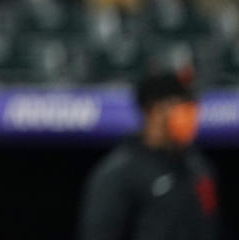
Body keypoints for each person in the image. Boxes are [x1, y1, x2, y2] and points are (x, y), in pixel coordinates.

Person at [78, 69, 220, 240]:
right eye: (180, 103)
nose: (190, 113)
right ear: (154, 109)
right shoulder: (119, 173)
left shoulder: (198, 167)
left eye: (190, 104)